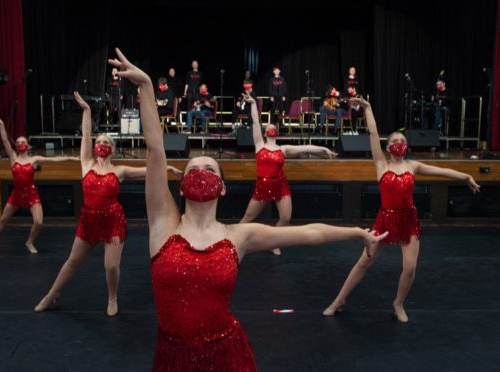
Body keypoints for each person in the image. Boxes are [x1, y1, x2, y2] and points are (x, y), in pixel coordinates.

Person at [108, 47, 387, 370]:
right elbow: (156, 152)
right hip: (174, 358)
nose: (201, 174)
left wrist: (355, 233)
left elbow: (308, 233)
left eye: (210, 170)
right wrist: (144, 87)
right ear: (181, 185)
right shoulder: (163, 223)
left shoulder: (238, 236)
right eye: (193, 170)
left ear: (223, 188)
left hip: (228, 354)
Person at [322, 97, 480, 323]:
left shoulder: (413, 166)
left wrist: (466, 176)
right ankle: (338, 301)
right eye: (395, 140)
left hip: (408, 220)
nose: (399, 143)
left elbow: (441, 170)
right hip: (385, 219)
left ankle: (398, 303)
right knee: (364, 261)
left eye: (403, 140)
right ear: (388, 147)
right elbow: (374, 134)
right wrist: (368, 108)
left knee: (409, 267)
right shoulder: (381, 165)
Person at [34, 92, 181, 317]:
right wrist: (87, 111)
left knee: (111, 266)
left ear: (112, 148)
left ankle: (112, 297)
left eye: (105, 142)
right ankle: (50, 294)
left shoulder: (119, 171)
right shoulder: (86, 164)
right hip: (89, 220)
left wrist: (167, 168)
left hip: (113, 221)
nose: (101, 144)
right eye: (99, 142)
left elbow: (149, 170)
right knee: (72, 262)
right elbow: (85, 134)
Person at [240, 94, 338, 255]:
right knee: (247, 218)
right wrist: (252, 104)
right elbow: (256, 122)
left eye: (273, 126)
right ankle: (236, 241)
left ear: (276, 132)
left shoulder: (283, 149)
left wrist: (323, 149)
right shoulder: (259, 145)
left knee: (285, 218)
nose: (271, 128)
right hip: (263, 185)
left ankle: (273, 242)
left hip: (280, 184)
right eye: (268, 127)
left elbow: (305, 148)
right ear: (265, 133)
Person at [0, 113, 78, 254]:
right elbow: (5, 140)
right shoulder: (13, 157)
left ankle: (29, 242)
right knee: (3, 220)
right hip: (17, 193)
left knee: (38, 222)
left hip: (31, 193)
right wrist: (2, 125)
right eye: (18, 143)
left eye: (23, 142)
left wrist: (73, 158)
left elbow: (55, 159)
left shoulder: (34, 159)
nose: (20, 144)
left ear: (28, 146)